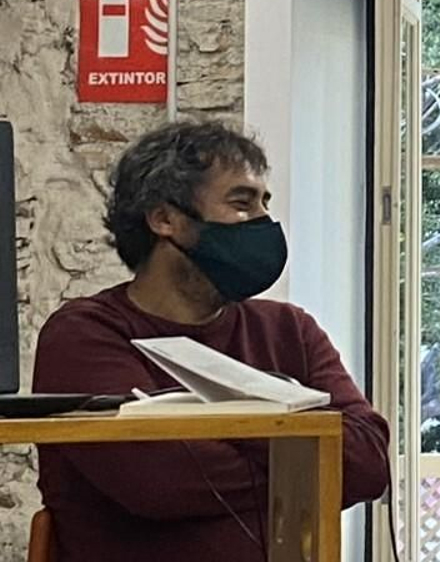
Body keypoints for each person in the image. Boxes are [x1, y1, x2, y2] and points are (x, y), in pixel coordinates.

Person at [32, 120, 389, 561]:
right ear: (165, 219)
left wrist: (226, 439)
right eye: (241, 203)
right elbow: (157, 481)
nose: (263, 221)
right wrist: (299, 446)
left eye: (264, 203)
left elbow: (368, 463)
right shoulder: (86, 335)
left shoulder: (289, 331)